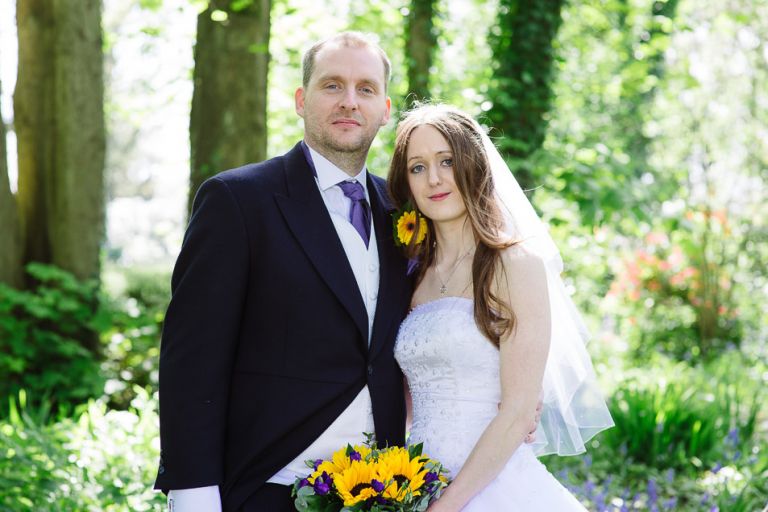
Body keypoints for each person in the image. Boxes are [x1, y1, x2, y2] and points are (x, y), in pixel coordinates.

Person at [154, 32, 411, 511]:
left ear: (385, 108)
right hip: (265, 485)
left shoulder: (405, 212)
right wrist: (192, 491)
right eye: (332, 85)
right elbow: (191, 359)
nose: (349, 102)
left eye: (366, 89)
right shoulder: (237, 201)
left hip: (385, 491)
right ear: (301, 99)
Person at [388, 104, 614, 511]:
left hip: (491, 486)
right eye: (417, 167)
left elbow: (517, 411)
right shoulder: (410, 275)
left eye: (447, 161)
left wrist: (446, 506)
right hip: (419, 484)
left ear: (473, 164)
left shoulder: (516, 266)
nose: (434, 178)